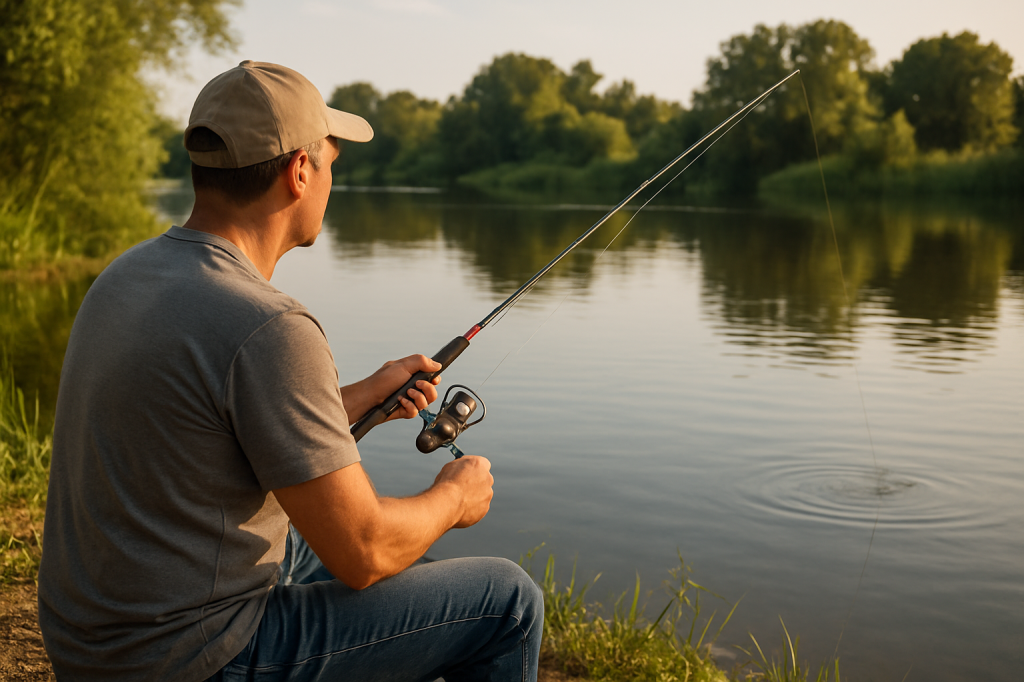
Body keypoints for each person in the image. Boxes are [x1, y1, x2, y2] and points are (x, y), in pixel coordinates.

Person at [37, 60, 543, 681]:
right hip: (191, 658)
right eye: (330, 163)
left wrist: (358, 396)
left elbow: (216, 416)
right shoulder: (269, 326)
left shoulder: (127, 275)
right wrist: (453, 497)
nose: (333, 182)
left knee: (311, 545)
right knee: (506, 601)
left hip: (91, 643)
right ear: (299, 172)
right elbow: (365, 551)